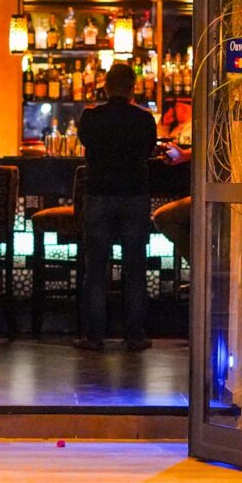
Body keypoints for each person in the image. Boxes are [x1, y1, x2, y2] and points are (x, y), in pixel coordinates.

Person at [75, 63, 157, 351]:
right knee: (135, 268)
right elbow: (149, 151)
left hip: (99, 194)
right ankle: (134, 335)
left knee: (96, 269)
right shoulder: (144, 119)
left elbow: (85, 143)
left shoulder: (91, 117)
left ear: (106, 88)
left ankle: (94, 336)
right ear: (133, 88)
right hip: (134, 195)